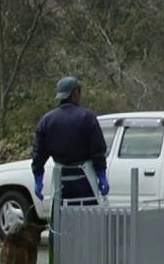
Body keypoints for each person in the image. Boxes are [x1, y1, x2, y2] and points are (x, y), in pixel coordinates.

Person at [32, 77, 109, 206]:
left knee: (60, 218)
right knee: (88, 219)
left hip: (60, 179)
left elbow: (38, 153)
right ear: (74, 93)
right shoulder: (87, 117)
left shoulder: (46, 120)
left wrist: (38, 178)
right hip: (85, 180)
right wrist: (101, 175)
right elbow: (98, 149)